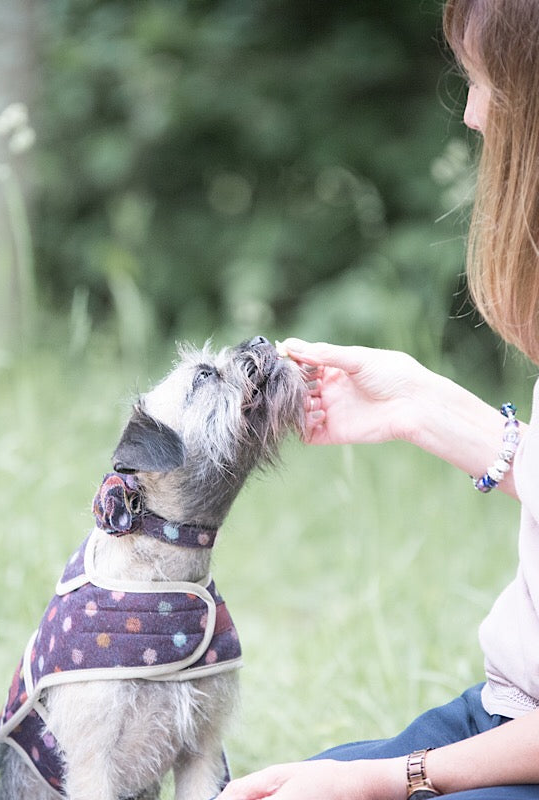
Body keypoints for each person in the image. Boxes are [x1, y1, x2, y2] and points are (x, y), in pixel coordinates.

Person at [217, 0, 539, 798]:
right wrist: (420, 407)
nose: (470, 111)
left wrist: (396, 779)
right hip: (511, 714)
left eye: (487, 81)